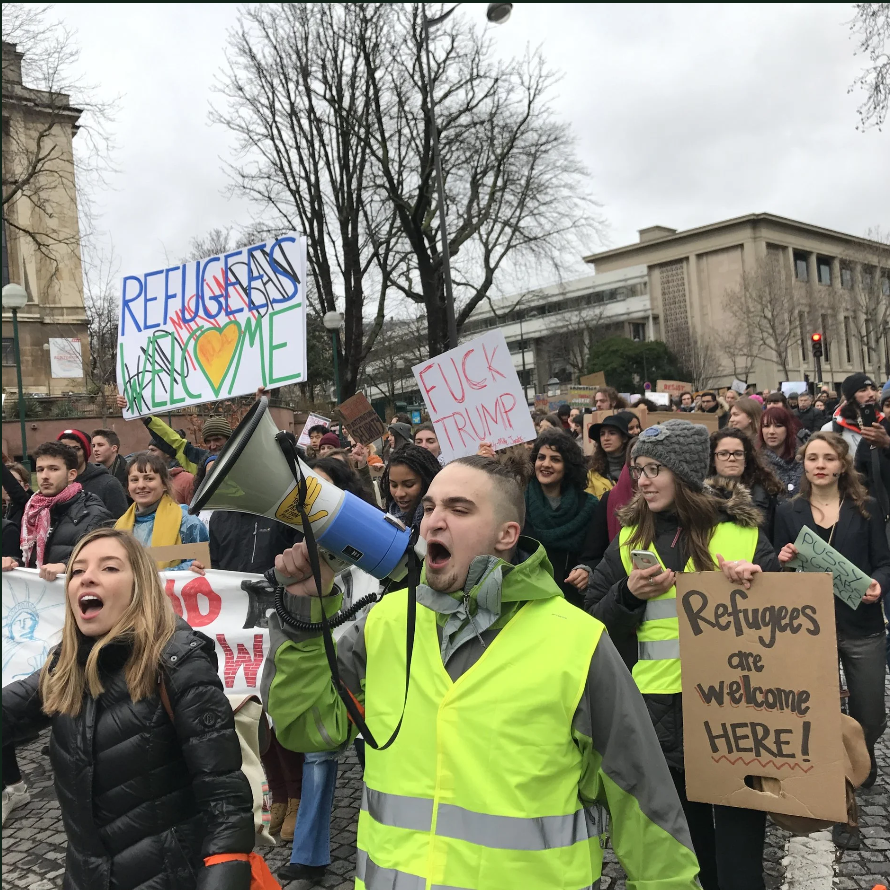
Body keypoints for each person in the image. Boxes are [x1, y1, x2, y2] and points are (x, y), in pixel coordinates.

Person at [263, 456, 701, 890]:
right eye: (429, 508)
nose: (434, 521)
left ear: (507, 534)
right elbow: (306, 727)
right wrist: (304, 611)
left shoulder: (577, 641)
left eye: (459, 509)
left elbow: (642, 799)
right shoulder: (384, 622)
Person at [585, 420, 780, 890]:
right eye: (638, 469)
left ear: (685, 473)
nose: (643, 480)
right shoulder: (631, 539)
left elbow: (787, 621)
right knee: (690, 852)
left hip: (735, 714)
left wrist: (759, 585)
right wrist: (627, 595)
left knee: (740, 861)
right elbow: (592, 621)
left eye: (655, 469)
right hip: (660, 716)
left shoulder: (742, 534)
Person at [1, 528, 255, 889]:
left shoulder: (179, 666)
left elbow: (225, 802)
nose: (87, 577)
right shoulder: (65, 665)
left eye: (109, 568)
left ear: (141, 586)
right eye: (77, 570)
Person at [773, 432, 890, 848]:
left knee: (870, 716)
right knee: (821, 718)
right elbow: (776, 564)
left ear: (842, 464)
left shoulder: (866, 507)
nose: (819, 465)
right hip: (810, 629)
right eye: (812, 458)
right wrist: (783, 560)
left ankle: (862, 753)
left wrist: (878, 584)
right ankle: (844, 805)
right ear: (803, 465)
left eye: (828, 458)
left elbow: (883, 562)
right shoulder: (788, 510)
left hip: (862, 626)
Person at [273, 457, 381, 883]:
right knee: (316, 755)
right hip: (322, 659)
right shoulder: (300, 548)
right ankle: (308, 855)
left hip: (368, 664)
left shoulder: (372, 538)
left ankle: (381, 846)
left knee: (376, 760)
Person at [2, 442, 111, 580]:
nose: (44, 476)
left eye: (53, 469)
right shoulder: (32, 511)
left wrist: (65, 566)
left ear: (71, 474)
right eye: (40, 470)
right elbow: (32, 562)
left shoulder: (94, 514)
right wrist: (14, 562)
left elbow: (106, 562)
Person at [524, 429, 601, 608]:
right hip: (528, 600)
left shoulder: (588, 506)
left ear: (568, 466)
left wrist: (586, 570)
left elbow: (597, 554)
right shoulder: (519, 501)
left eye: (555, 459)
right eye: (541, 457)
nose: (546, 464)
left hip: (571, 602)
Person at [114, 452, 208, 571]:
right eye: (134, 480)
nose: (141, 485)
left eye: (149, 479)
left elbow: (203, 567)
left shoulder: (188, 523)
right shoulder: (118, 527)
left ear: (164, 484)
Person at [115, 395, 232, 474]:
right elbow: (169, 436)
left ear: (229, 439)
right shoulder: (196, 458)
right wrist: (138, 411)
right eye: (208, 441)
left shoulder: (241, 460)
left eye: (217, 439)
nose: (213, 445)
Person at [708, 428, 784, 538]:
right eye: (723, 454)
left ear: (745, 460)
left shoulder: (766, 493)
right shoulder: (701, 496)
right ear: (713, 460)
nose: (732, 458)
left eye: (738, 454)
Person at [57, 429, 128, 519]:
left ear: (85, 452)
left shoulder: (108, 484)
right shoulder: (55, 483)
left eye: (76, 448)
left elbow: (121, 523)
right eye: (64, 449)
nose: (69, 453)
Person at [380, 443, 441, 531]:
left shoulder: (439, 524)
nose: (399, 494)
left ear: (427, 481)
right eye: (394, 485)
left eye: (409, 485)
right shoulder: (389, 515)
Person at [758, 405, 804, 495]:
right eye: (766, 426)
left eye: (778, 426)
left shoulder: (803, 459)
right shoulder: (756, 463)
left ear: (787, 428)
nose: (771, 431)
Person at [585, 413, 632, 497]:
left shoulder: (636, 467)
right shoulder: (593, 473)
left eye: (612, 433)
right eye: (602, 434)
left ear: (624, 438)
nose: (606, 438)